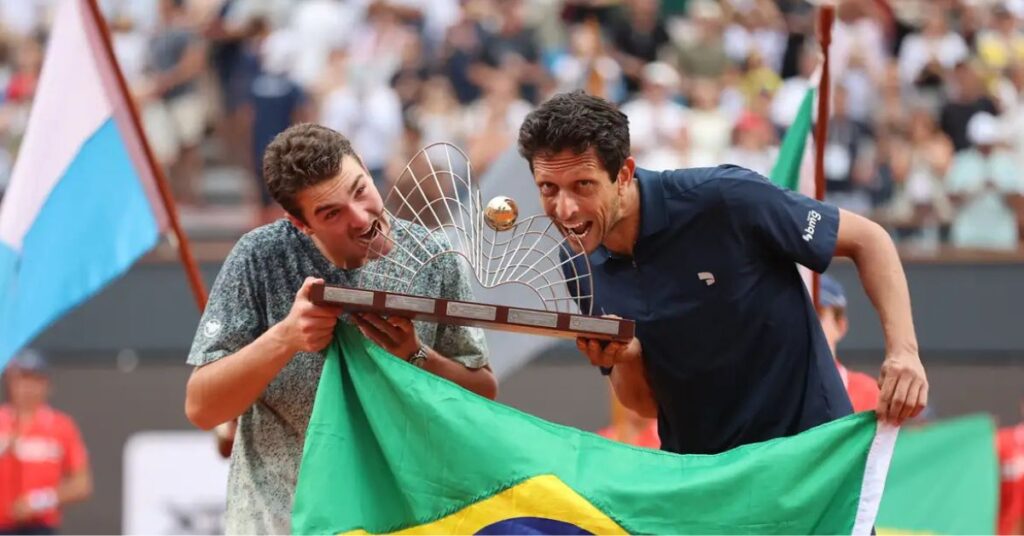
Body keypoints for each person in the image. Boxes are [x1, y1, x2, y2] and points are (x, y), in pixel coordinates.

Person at [517, 91, 928, 455]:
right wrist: (627, 357)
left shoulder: (724, 199)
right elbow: (644, 405)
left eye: (583, 185)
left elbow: (870, 240)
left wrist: (904, 352)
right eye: (548, 189)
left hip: (808, 456)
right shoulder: (574, 263)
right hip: (705, 483)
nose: (565, 210)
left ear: (623, 174)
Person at [184, 123, 497, 534]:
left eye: (360, 189)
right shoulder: (258, 257)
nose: (361, 217)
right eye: (331, 213)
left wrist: (416, 356)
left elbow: (484, 392)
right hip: (281, 524)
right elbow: (202, 407)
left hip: (402, 519)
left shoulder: (436, 256)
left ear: (366, 167)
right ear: (300, 224)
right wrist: (285, 338)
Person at [0, 350, 92, 535]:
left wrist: (38, 501)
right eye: (22, 379)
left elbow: (82, 484)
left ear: (47, 385)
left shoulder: (61, 426)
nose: (27, 388)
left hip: (40, 527)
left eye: (35, 380)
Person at [817, 274, 880, 413]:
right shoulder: (769, 392)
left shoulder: (869, 393)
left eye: (817, 314)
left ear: (840, 326)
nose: (808, 323)